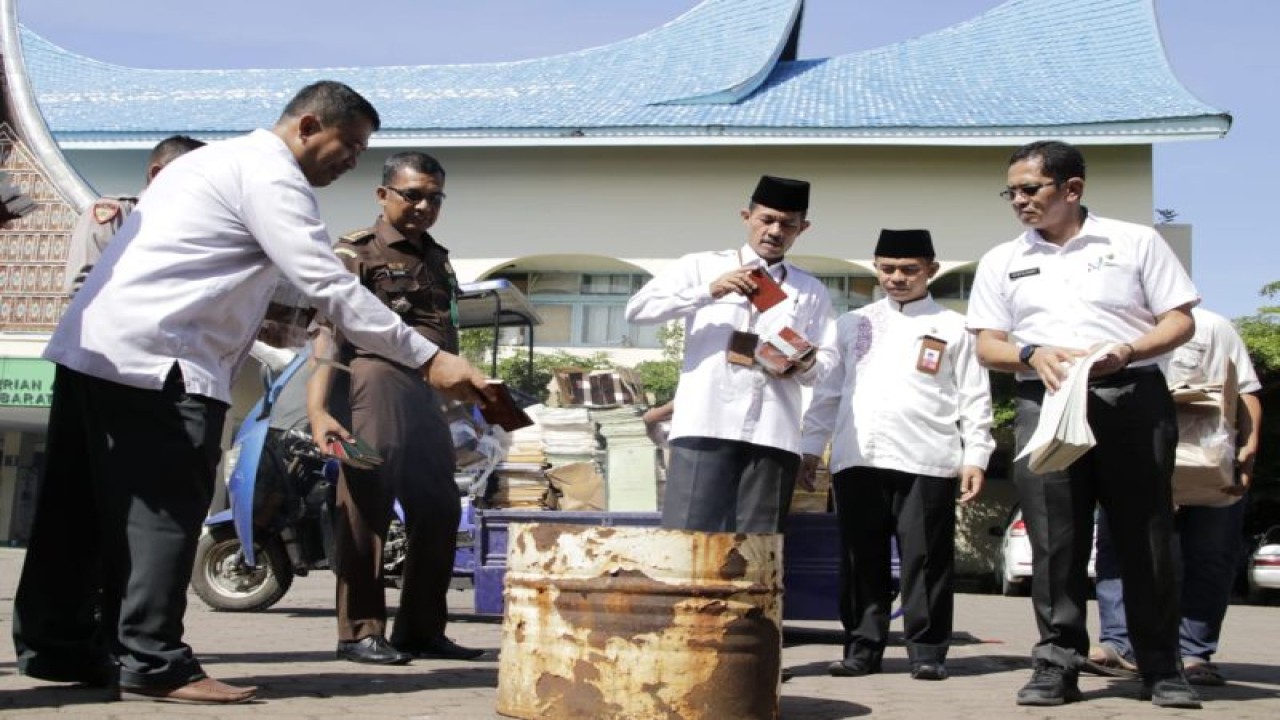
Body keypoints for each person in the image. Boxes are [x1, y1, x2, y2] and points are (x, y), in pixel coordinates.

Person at [12, 80, 491, 705]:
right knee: (163, 517)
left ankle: (59, 646)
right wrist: (429, 358)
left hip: (98, 351)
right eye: (350, 146)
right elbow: (327, 285)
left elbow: (253, 284)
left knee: (77, 509)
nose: (352, 161)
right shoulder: (273, 178)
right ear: (309, 125)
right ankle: (154, 661)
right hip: (162, 363)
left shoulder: (212, 163)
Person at [966, 140, 1201, 708]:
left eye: (1030, 189)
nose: (1018, 201)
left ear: (1072, 188)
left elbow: (1180, 320)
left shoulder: (1134, 241)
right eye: (1010, 192)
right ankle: (1056, 664)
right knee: (1054, 540)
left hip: (1130, 395)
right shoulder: (1002, 259)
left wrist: (1129, 348)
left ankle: (1161, 668)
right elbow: (987, 345)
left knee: (1145, 535)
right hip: (1044, 400)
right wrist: (1031, 353)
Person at [306, 151, 483, 665]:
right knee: (366, 505)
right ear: (383, 194)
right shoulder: (355, 251)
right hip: (372, 387)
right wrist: (318, 410)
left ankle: (420, 631)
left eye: (435, 197)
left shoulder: (438, 258)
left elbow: (443, 336)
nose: (424, 206)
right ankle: (359, 633)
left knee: (440, 509)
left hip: (428, 397)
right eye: (413, 195)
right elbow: (328, 333)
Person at [800, 228, 994, 682]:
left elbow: (974, 397)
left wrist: (977, 455)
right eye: (887, 269)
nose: (897, 278)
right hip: (858, 456)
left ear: (931, 270)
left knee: (926, 560)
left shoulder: (954, 327)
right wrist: (810, 448)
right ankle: (861, 648)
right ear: (876, 268)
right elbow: (828, 393)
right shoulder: (852, 324)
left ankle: (927, 651)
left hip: (927, 457)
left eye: (909, 269)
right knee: (859, 558)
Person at [625, 175, 837, 532]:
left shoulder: (810, 289)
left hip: (772, 433)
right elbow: (637, 310)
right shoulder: (700, 266)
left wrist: (804, 361)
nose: (775, 231)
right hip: (705, 423)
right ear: (746, 217)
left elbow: (827, 365)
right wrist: (709, 291)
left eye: (788, 224)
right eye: (766, 219)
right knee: (689, 538)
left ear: (803, 228)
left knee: (758, 546)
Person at [1086, 306, 1263, 686]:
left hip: (1205, 459)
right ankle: (1119, 644)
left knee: (1210, 554)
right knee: (1117, 549)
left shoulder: (1212, 326)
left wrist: (1248, 449)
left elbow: (1245, 391)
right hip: (1132, 456)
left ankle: (1193, 652)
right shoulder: (1110, 323)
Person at [63, 134, 206, 295]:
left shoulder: (200, 226)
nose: (205, 187)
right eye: (196, 176)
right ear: (157, 174)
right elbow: (83, 285)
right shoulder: (120, 215)